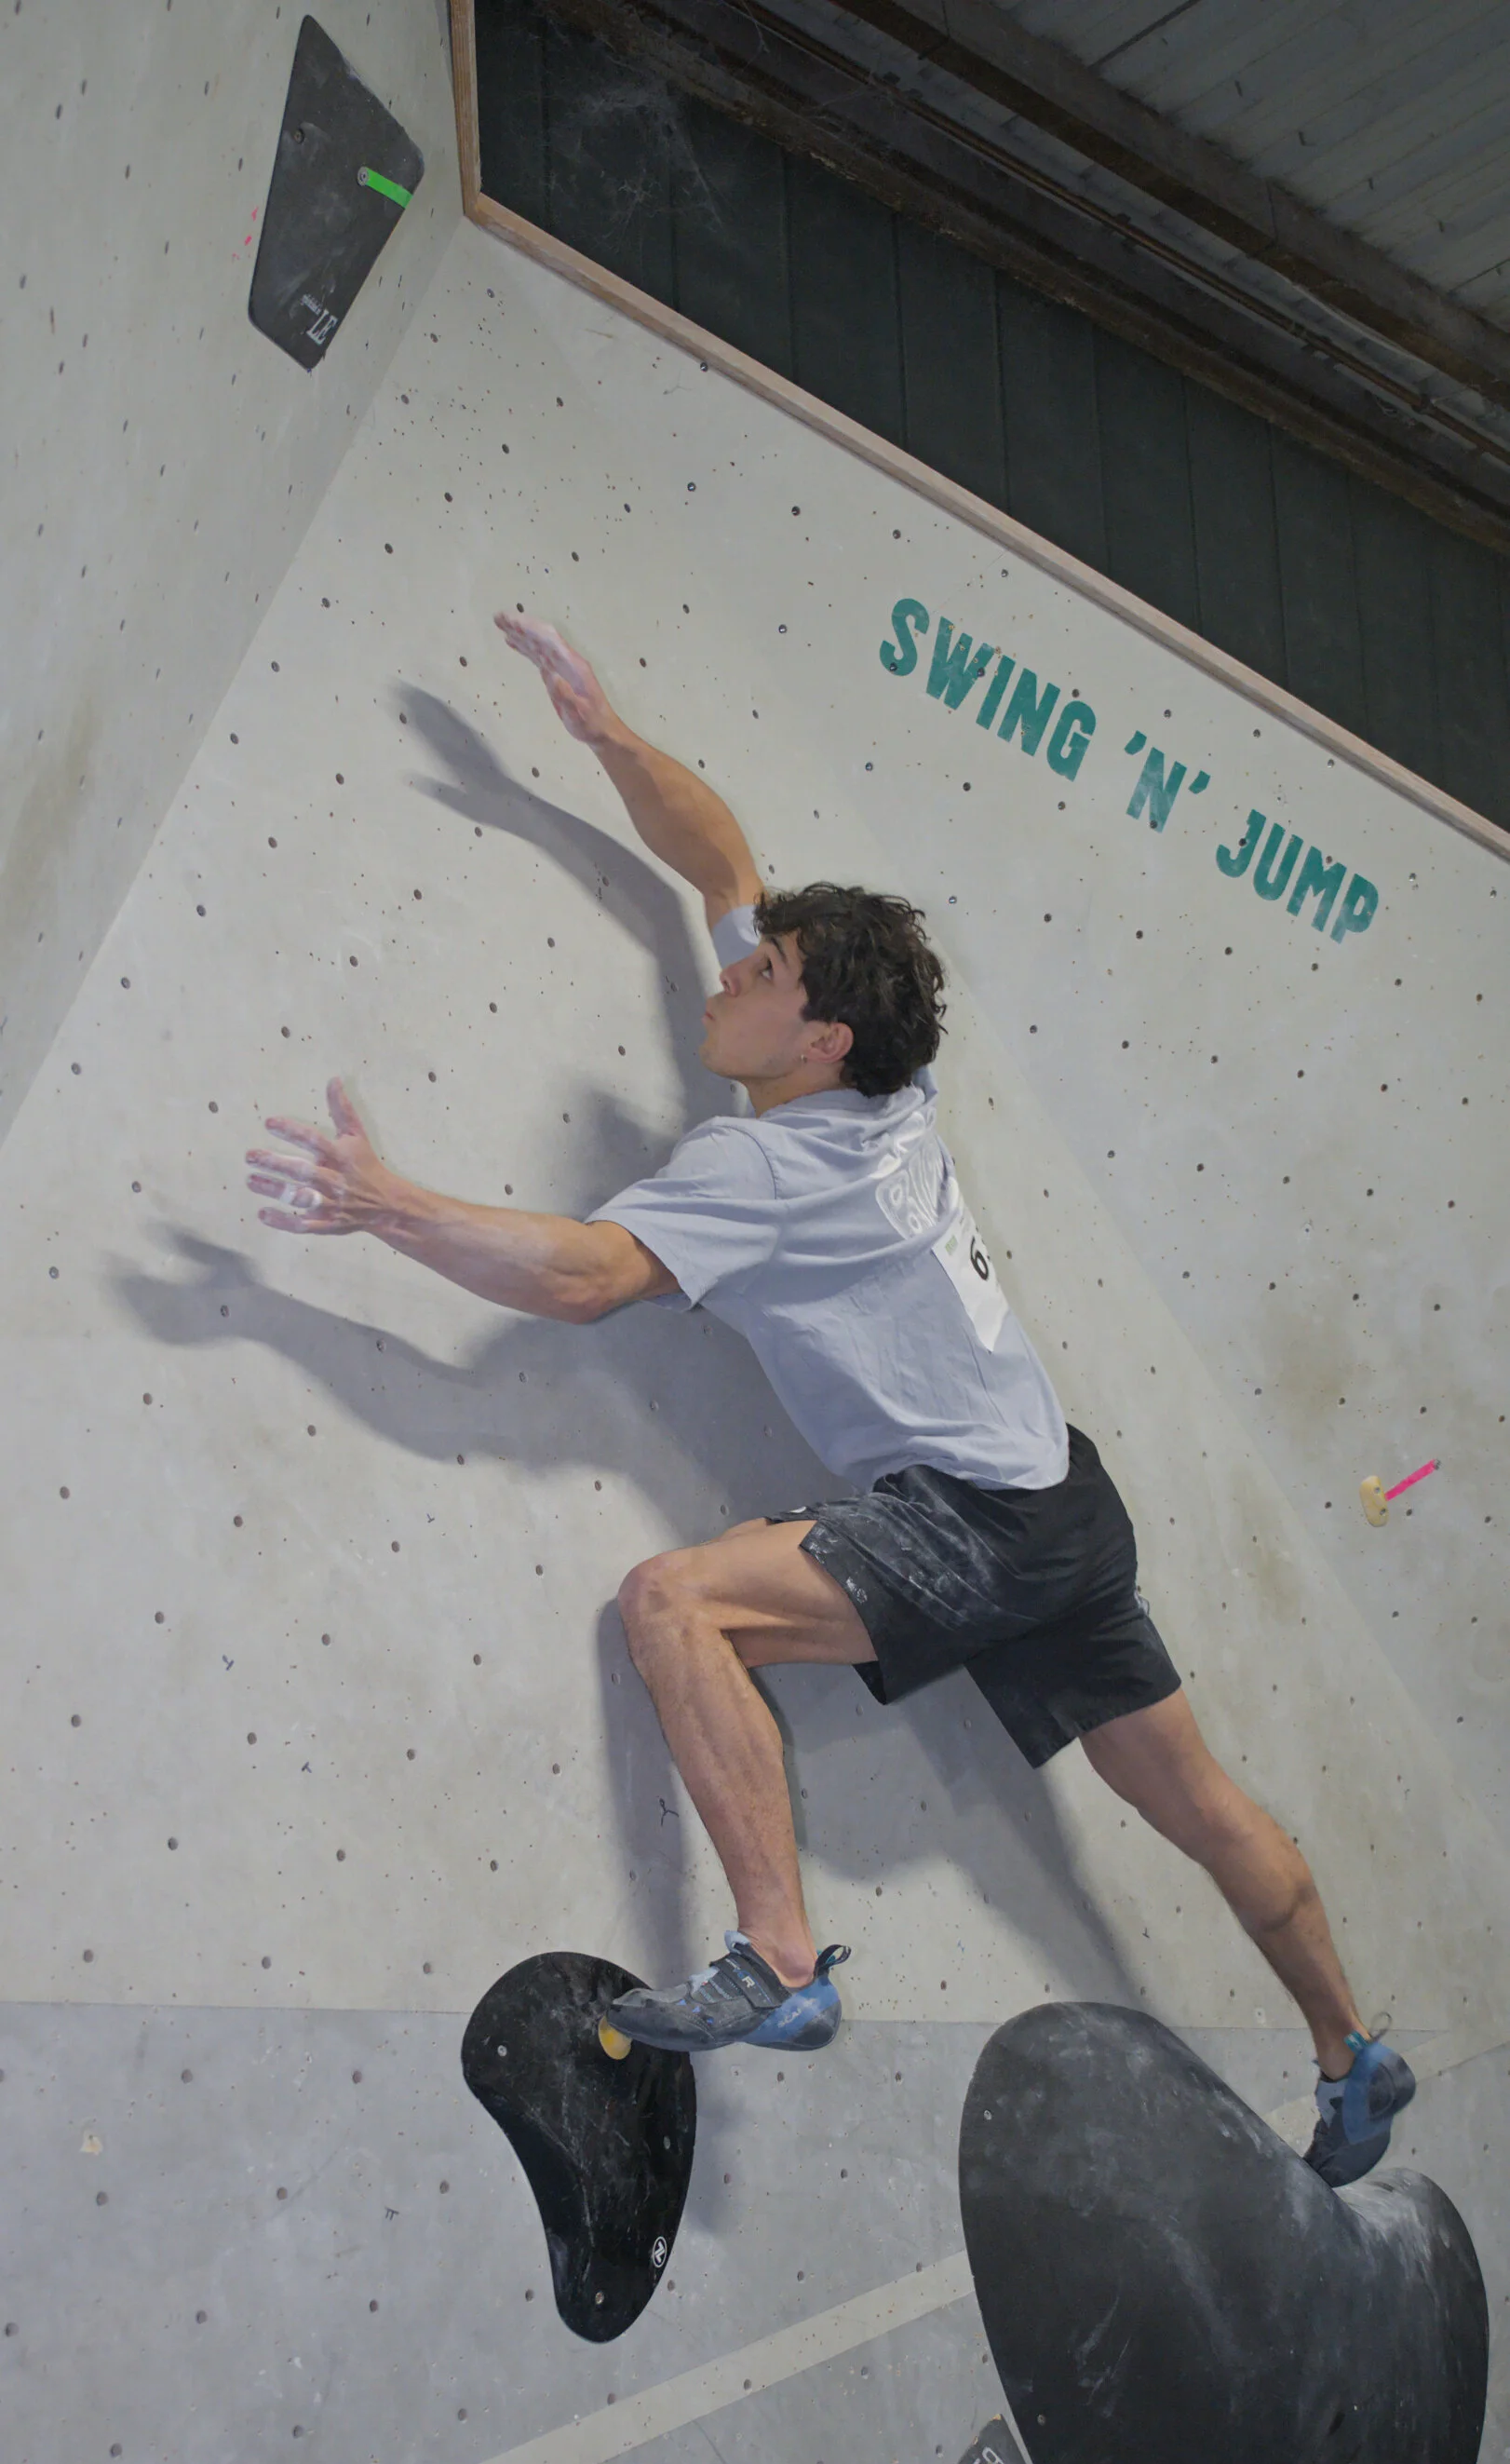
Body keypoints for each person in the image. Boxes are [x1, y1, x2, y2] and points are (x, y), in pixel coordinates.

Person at [246, 614, 1415, 2188]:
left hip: (977, 1523)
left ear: (819, 1034)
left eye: (767, 977)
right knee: (1201, 1805)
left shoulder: (769, 1167)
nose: (733, 977)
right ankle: (1353, 2053)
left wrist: (393, 1206)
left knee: (676, 1606)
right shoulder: (881, 1090)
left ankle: (782, 1962)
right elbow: (718, 855)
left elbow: (588, 1278)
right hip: (1062, 1499)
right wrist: (601, 740)